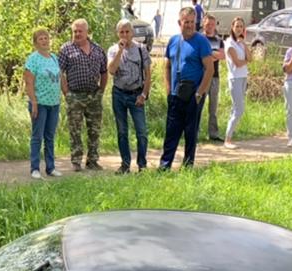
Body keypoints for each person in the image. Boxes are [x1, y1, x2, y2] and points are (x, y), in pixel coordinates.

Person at [159, 6, 215, 170]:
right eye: (186, 22)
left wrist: (200, 93)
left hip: (194, 94)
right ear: (179, 22)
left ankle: (188, 165)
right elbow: (167, 66)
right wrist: (168, 89)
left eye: (192, 22)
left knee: (191, 132)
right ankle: (165, 165)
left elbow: (209, 69)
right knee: (172, 131)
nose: (190, 25)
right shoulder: (173, 41)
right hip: (176, 94)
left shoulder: (201, 41)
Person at [59, 19, 107, 171]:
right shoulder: (66, 49)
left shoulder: (98, 49)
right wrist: (66, 93)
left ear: (87, 32)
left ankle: (92, 160)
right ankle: (76, 161)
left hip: (94, 95)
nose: (77, 34)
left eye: (80, 31)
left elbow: (104, 72)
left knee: (94, 130)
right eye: (75, 31)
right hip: (75, 96)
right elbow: (59, 72)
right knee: (75, 130)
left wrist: (101, 91)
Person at [109, 20, 153, 173]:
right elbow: (111, 71)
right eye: (121, 32)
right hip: (119, 94)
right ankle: (125, 165)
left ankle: (142, 165)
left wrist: (144, 94)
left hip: (136, 95)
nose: (125, 35)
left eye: (127, 31)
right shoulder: (113, 50)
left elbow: (148, 75)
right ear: (117, 33)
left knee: (141, 132)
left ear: (132, 33)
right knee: (122, 131)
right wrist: (120, 51)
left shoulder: (141, 49)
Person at [24, 28, 63, 179]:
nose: (44, 41)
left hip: (54, 103)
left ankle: (50, 167)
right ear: (35, 43)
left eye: (46, 38)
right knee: (37, 136)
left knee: (50, 136)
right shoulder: (33, 59)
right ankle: (35, 168)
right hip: (39, 103)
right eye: (40, 38)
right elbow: (29, 82)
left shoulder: (54, 57)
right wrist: (33, 102)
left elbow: (60, 78)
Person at [197, 16, 226, 142]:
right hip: (201, 77)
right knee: (198, 106)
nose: (210, 26)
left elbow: (222, 55)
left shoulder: (219, 40)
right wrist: (212, 55)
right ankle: (195, 133)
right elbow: (199, 55)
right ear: (204, 24)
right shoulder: (198, 38)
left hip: (215, 77)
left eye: (212, 24)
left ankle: (213, 133)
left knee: (213, 107)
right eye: (208, 24)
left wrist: (208, 54)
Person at [222, 16, 249, 149]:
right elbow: (237, 63)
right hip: (234, 78)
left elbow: (251, 57)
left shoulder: (241, 43)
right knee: (239, 109)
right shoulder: (229, 43)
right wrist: (246, 61)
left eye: (241, 26)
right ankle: (227, 139)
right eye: (237, 26)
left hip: (243, 76)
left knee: (235, 108)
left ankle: (229, 136)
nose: (239, 29)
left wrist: (243, 44)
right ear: (232, 27)